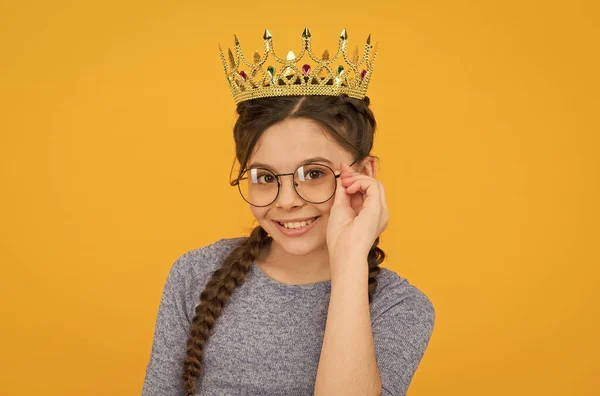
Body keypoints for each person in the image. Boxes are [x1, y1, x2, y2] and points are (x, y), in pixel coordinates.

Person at [142, 27, 435, 396]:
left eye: (313, 173)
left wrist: (349, 263)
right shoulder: (196, 273)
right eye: (264, 176)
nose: (285, 201)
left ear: (363, 175)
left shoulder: (400, 307)